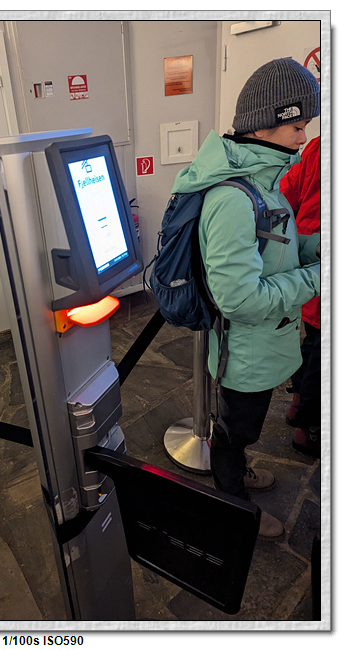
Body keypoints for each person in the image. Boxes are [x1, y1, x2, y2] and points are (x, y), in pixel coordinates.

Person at [170, 58, 321, 540]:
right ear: (264, 124)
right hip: (246, 354)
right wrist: (319, 277)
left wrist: (316, 249)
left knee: (243, 428)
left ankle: (236, 475)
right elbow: (240, 299)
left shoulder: (264, 183)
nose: (303, 138)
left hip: (264, 346)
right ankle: (233, 504)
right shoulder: (234, 198)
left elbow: (276, 251)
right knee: (235, 432)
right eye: (297, 126)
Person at [279, 136, 321, 458]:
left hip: (309, 265)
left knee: (312, 343)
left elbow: (285, 195)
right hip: (317, 263)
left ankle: (297, 406)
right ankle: (306, 427)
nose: (301, 135)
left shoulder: (319, 145)